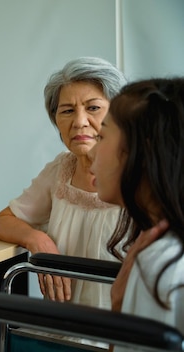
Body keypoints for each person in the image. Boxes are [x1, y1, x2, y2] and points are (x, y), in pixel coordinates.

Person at [0, 57, 127, 309]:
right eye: (67, 110)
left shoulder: (143, 174)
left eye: (93, 108)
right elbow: (3, 221)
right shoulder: (60, 170)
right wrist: (39, 241)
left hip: (124, 332)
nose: (79, 121)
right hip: (62, 325)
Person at [89, 77, 184, 345]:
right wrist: (120, 306)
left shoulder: (159, 270)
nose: (93, 152)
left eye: (102, 135)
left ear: (143, 152)